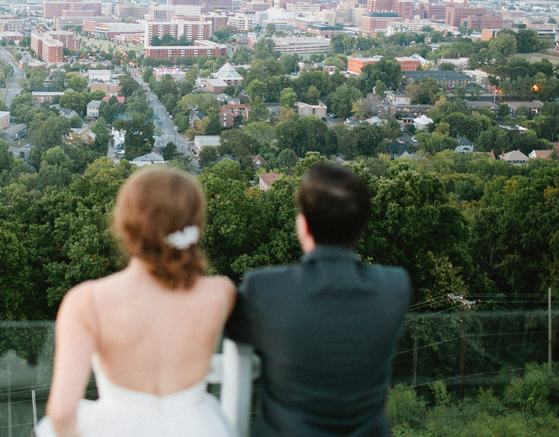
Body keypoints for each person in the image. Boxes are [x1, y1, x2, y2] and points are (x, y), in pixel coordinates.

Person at [36, 167, 236, 437]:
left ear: (125, 223)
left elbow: (61, 413)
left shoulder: (88, 301)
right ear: (194, 224)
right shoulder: (220, 293)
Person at [224, 163, 411, 437]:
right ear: (361, 225)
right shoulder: (394, 288)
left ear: (303, 225)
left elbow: (230, 326)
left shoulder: (266, 289)